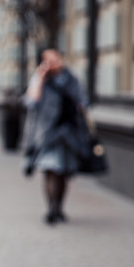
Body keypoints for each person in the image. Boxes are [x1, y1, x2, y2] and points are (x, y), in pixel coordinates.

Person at [21, 48, 90, 225]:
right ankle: (51, 209)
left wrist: (78, 107)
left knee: (62, 172)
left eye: (55, 59)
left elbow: (83, 101)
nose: (52, 63)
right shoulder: (40, 79)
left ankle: (59, 207)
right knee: (50, 169)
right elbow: (31, 101)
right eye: (48, 60)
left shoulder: (71, 78)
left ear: (61, 59)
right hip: (46, 132)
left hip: (68, 132)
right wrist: (41, 78)